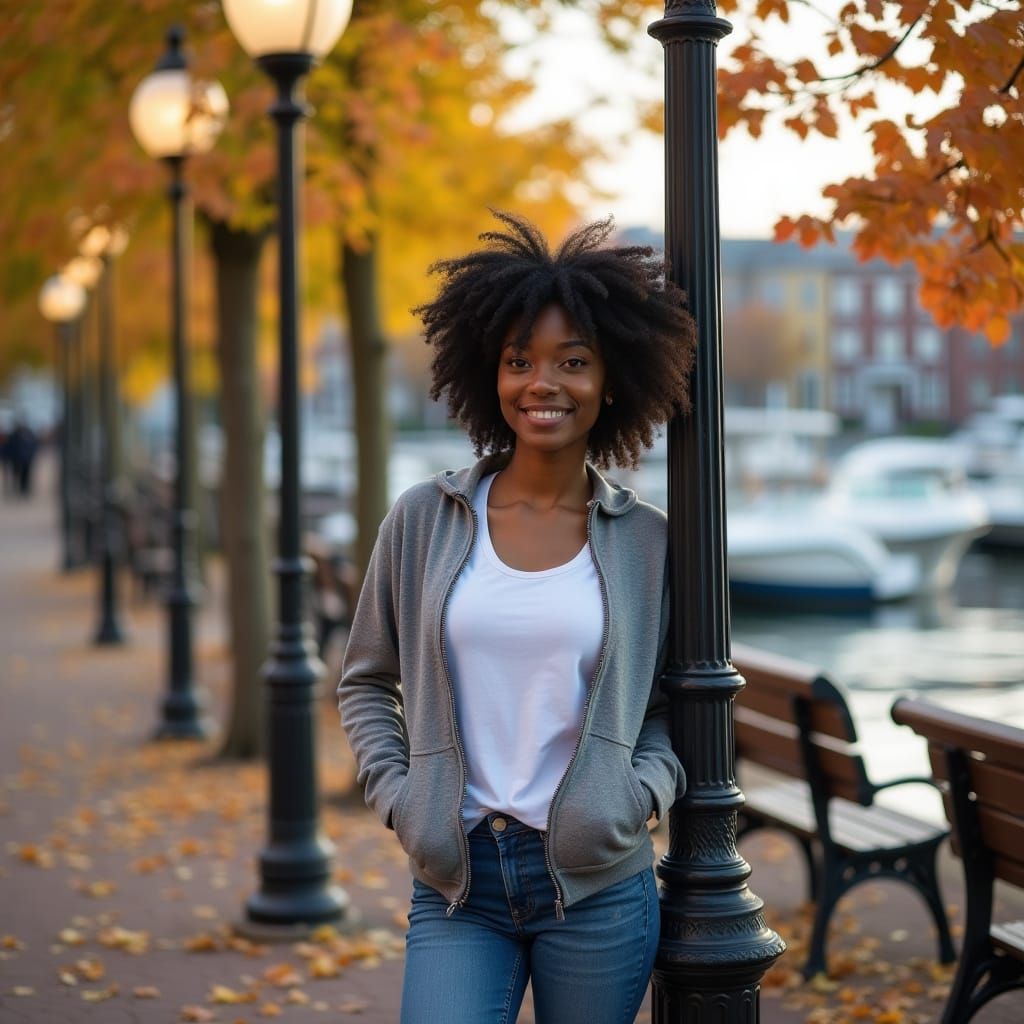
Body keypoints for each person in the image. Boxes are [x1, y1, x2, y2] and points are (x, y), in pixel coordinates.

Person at [337, 211, 697, 1024]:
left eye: (574, 361)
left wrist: (638, 795)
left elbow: (679, 704)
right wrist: (400, 797)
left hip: (600, 886)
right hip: (458, 881)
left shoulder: (647, 543)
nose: (544, 383)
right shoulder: (424, 519)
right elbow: (365, 682)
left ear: (612, 380)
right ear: (488, 375)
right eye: (519, 361)